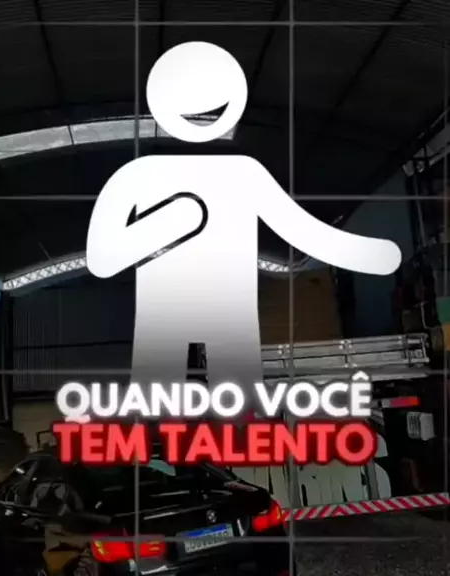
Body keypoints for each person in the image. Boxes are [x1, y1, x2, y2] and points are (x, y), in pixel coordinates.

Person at [86, 41, 402, 501]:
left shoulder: (242, 172)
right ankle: (165, 492)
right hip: (163, 320)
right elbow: (102, 257)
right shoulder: (137, 176)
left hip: (229, 316)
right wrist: (169, 221)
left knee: (242, 429)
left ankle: (236, 494)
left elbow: (302, 229)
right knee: (156, 428)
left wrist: (369, 254)